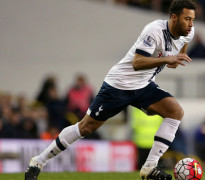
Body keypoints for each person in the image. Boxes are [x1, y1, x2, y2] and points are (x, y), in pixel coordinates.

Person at [25, 1, 196, 180]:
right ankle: (37, 162)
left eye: (193, 19)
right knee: (86, 127)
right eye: (187, 19)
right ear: (174, 17)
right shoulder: (154, 30)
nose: (191, 24)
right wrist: (168, 59)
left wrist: (174, 60)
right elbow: (137, 63)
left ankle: (149, 167)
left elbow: (176, 59)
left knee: (175, 112)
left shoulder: (188, 33)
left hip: (144, 85)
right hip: (119, 85)